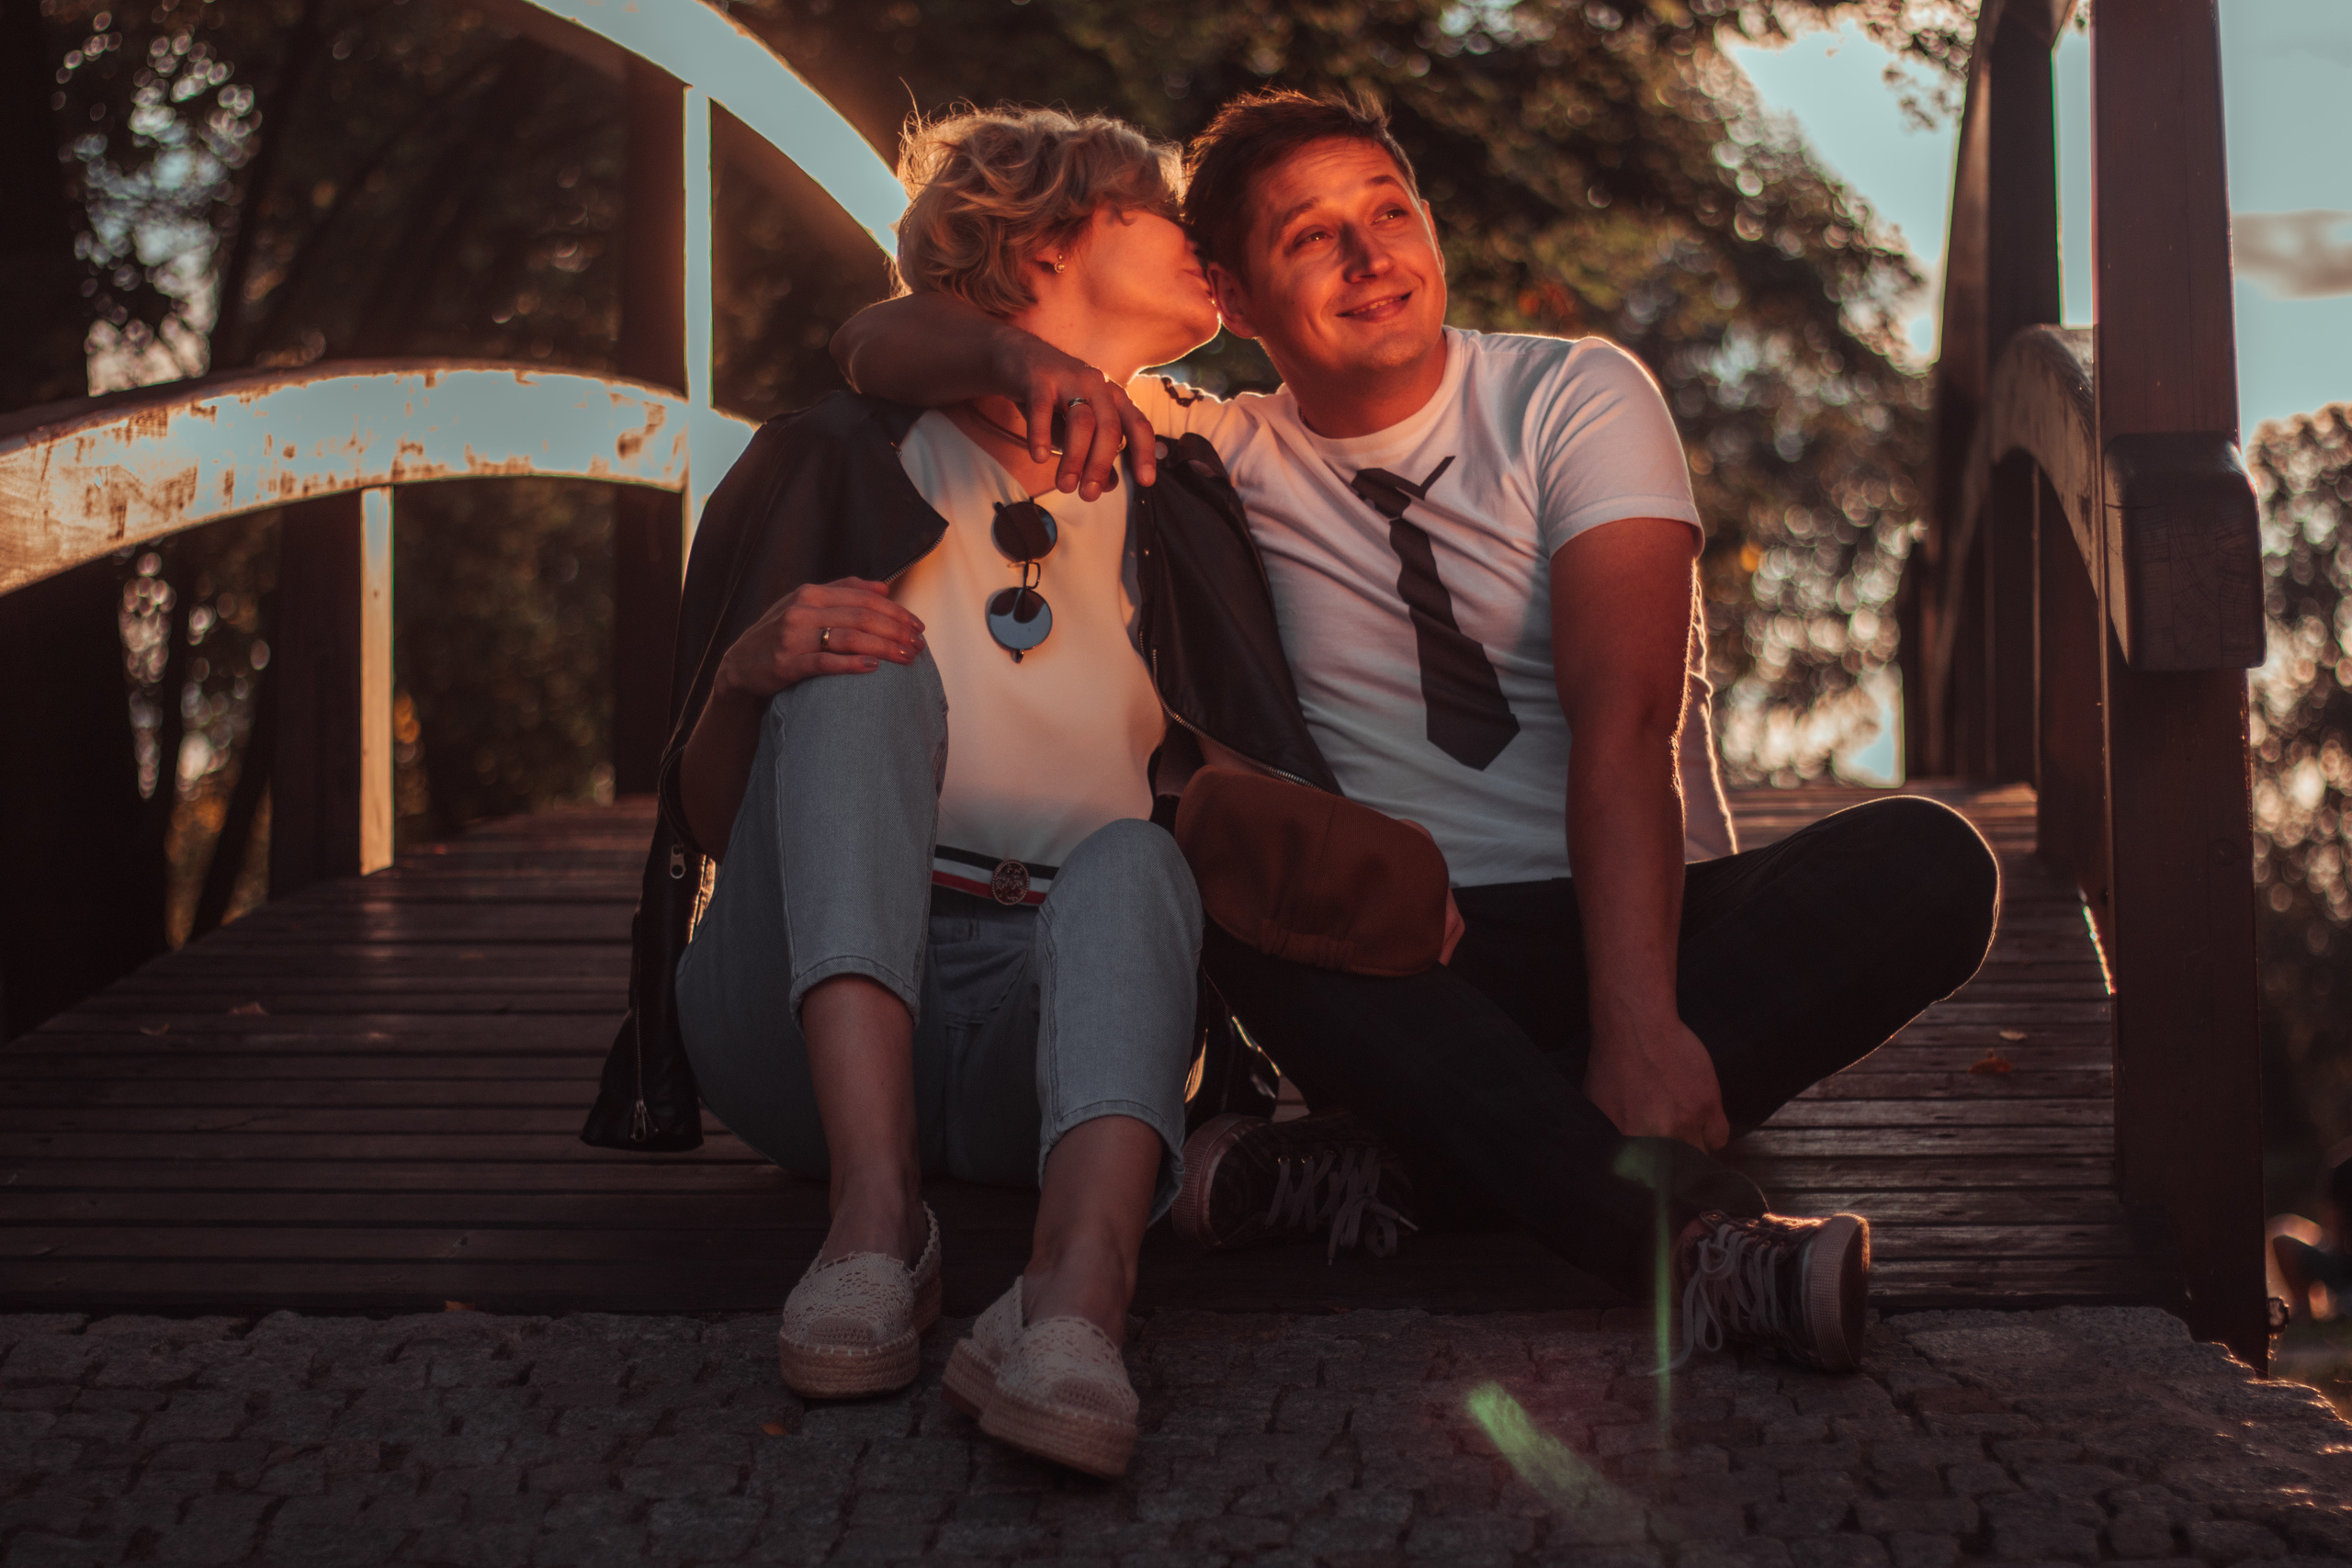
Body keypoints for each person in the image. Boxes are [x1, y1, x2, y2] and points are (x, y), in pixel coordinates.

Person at [832, 90, 2001, 1372]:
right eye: (1310, 237)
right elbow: (874, 343)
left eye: (1390, 213)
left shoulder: (1575, 393)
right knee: (1222, 881)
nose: (1370, 254)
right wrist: (1014, 361)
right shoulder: (1207, 447)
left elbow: (1626, 731)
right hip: (1404, 957)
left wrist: (1641, 1024)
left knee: (1931, 864)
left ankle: (1388, 1169)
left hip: (1642, 920)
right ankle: (1705, 1251)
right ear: (1231, 294)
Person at [598, 106, 1336, 1477]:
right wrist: (753, 673)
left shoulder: (1188, 482)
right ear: (1056, 235)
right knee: (864, 664)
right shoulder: (836, 456)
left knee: (1136, 860)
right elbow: (705, 822)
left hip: (1043, 1035)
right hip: (791, 1030)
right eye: (1166, 213)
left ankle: (1072, 1315)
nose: (1205, 245)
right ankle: (876, 1227)